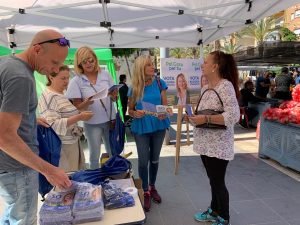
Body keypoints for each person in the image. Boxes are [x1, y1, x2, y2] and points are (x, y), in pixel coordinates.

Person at [0, 29, 72, 225]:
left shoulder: (6, 63)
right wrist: (48, 170)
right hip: (17, 167)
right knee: (24, 220)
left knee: (10, 216)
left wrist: (30, 118)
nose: (56, 70)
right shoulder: (21, 77)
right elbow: (4, 137)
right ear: (37, 49)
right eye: (54, 63)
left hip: (7, 167)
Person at [187, 51, 240, 225]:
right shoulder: (205, 88)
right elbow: (203, 115)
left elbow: (233, 115)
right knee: (213, 181)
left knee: (218, 182)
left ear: (215, 66)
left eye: (205, 62)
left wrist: (206, 119)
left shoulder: (225, 86)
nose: (202, 65)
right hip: (205, 144)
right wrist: (194, 119)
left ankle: (224, 217)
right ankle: (214, 210)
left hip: (219, 145)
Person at [128, 55, 171, 212]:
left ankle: (152, 187)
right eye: (149, 65)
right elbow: (129, 110)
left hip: (158, 126)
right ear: (141, 68)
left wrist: (165, 112)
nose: (153, 67)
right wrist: (135, 113)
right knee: (142, 161)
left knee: (154, 160)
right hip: (141, 127)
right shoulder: (134, 87)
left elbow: (165, 107)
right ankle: (145, 190)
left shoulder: (160, 83)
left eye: (152, 64)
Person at [66, 46, 118, 169]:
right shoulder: (76, 81)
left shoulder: (105, 74)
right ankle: (95, 183)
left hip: (110, 120)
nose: (89, 64)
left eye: (91, 60)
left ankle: (115, 178)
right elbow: (76, 107)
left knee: (114, 153)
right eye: (84, 61)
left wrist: (114, 95)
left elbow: (114, 98)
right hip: (92, 123)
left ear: (95, 60)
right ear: (79, 64)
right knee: (94, 156)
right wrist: (87, 102)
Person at [38, 65, 94, 172]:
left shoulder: (61, 93)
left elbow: (66, 113)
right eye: (63, 78)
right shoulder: (49, 97)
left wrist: (82, 106)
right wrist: (80, 117)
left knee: (75, 176)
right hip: (63, 147)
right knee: (69, 180)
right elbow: (52, 124)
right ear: (51, 77)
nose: (66, 81)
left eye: (68, 78)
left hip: (71, 141)